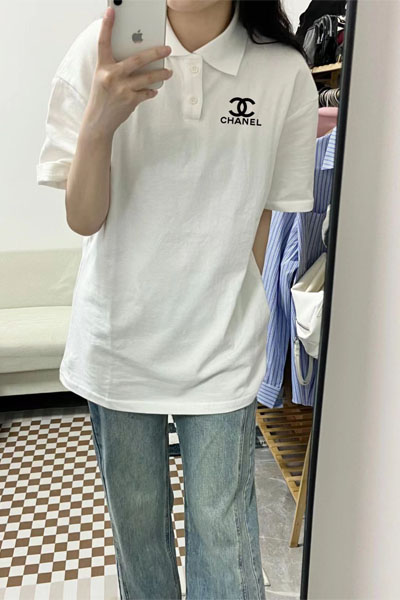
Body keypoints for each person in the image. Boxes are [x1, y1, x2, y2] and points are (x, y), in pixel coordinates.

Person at [37, 1, 318, 598]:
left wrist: (235, 311)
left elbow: (265, 219)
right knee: (138, 538)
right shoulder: (97, 53)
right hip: (117, 345)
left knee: (224, 543)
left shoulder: (282, 72)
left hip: (222, 349)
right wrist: (100, 119)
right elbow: (83, 218)